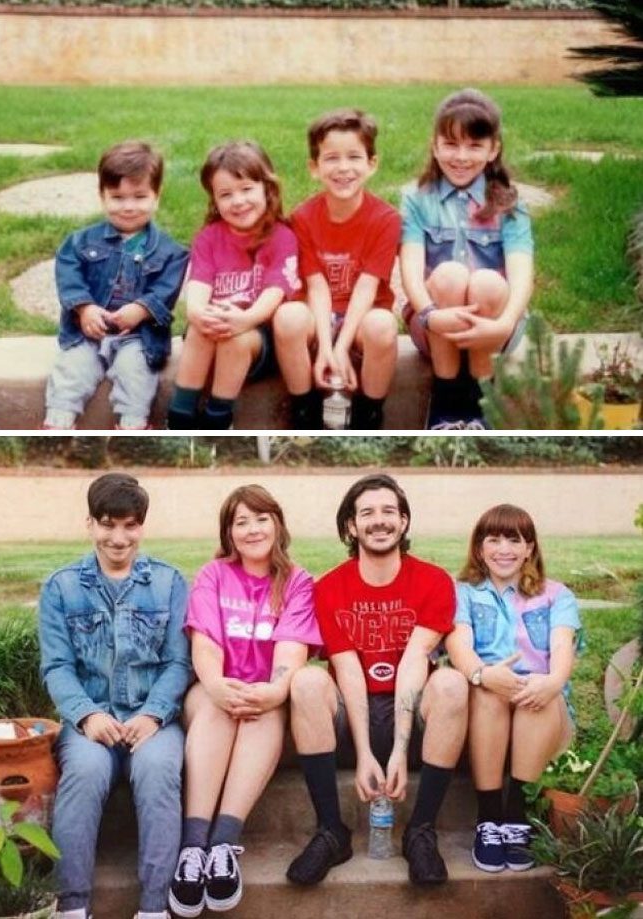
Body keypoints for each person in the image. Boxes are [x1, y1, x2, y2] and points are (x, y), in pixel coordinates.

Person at [285, 474, 468, 888]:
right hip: (352, 717)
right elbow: (347, 670)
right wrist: (366, 753)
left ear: (404, 521)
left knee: (451, 684)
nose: (379, 520)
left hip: (413, 715)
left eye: (389, 511)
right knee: (307, 682)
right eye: (367, 513)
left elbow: (414, 662)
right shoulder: (329, 587)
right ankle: (331, 831)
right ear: (351, 526)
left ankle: (421, 830)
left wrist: (399, 750)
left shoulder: (433, 581)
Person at [39, 473, 191, 919]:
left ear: (142, 526)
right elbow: (57, 666)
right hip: (89, 719)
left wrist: (154, 715)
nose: (119, 538)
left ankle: (154, 907)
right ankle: (71, 905)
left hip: (152, 719)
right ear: (90, 523)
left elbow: (178, 663)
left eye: (130, 526)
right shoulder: (61, 586)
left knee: (158, 771)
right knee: (85, 773)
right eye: (108, 525)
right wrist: (86, 716)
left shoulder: (168, 582)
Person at [169, 484, 321, 916]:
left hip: (266, 695)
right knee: (218, 708)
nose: (253, 529)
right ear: (229, 533)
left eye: (261, 518)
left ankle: (222, 846)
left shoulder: (297, 581)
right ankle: (192, 848)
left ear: (278, 524)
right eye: (241, 522)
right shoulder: (214, 575)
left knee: (262, 714)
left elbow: (290, 653)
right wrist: (218, 685)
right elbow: (206, 645)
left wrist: (274, 691)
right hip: (211, 690)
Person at [446, 504, 582, 873]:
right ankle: (489, 819)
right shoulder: (464, 593)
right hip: (486, 697)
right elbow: (459, 645)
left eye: (514, 540)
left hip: (544, 706)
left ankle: (518, 817)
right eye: (493, 540)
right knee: (488, 693)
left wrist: (551, 682)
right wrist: (482, 674)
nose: (503, 549)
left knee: (535, 695)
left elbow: (562, 648)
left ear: (529, 548)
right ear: (479, 548)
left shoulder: (556, 595)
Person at [399, 88, 534, 430]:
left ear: (493, 149)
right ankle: (444, 400)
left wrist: (503, 325)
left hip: (495, 326)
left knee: (487, 281)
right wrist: (430, 316)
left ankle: (481, 399)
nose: (461, 157)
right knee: (449, 275)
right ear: (435, 146)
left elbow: (521, 276)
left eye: (474, 145)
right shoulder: (417, 199)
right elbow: (410, 272)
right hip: (433, 325)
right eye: (451, 144)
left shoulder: (509, 203)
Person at [43, 140, 189, 431]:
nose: (128, 207)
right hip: (88, 331)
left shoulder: (171, 252)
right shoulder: (80, 242)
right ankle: (58, 422)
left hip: (139, 336)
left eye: (139, 196)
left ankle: (132, 425)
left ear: (157, 195)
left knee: (135, 371)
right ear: (102, 196)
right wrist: (84, 308)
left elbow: (165, 290)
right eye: (118, 197)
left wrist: (141, 309)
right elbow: (69, 276)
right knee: (72, 369)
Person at [273, 109, 401, 430]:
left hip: (361, 318)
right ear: (314, 168)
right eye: (331, 158)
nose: (343, 168)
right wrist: (326, 350)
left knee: (383, 325)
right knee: (287, 317)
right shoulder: (303, 218)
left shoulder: (386, 220)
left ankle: (369, 414)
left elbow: (368, 288)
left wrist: (342, 347)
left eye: (354, 157)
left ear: (372, 164)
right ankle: (304, 410)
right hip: (318, 315)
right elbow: (316, 287)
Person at [166, 142, 302, 430]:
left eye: (246, 189)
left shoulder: (282, 237)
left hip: (259, 337)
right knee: (200, 329)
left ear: (267, 188)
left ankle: (218, 418)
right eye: (226, 194)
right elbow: (199, 286)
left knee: (234, 339)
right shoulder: (209, 237)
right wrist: (197, 313)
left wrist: (245, 319)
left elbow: (274, 293)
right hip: (215, 327)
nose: (238, 201)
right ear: (214, 200)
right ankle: (179, 416)